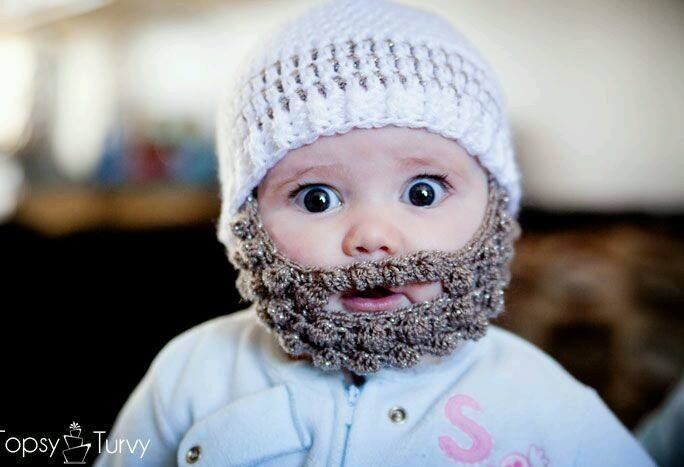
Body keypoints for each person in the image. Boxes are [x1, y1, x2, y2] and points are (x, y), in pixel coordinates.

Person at [95, 1, 656, 465]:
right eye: (318, 198)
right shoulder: (194, 373)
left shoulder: (544, 400)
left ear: (495, 210)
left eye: (422, 193)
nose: (372, 236)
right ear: (246, 222)